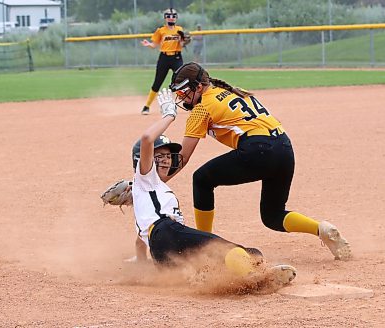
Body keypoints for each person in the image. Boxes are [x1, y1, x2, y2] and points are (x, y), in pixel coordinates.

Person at [167, 62, 352, 260]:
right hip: (284, 148)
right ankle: (321, 228)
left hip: (259, 149)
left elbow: (182, 159)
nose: (181, 97)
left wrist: (149, 184)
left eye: (183, 92)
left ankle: (204, 247)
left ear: (199, 87)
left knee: (202, 179)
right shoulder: (232, 92)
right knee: (272, 216)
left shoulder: (201, 109)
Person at [125, 88, 297, 284]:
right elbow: (147, 139)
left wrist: (141, 261)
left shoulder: (151, 190)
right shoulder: (145, 178)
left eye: (167, 156)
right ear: (142, 160)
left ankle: (232, 279)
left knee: (251, 253)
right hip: (167, 232)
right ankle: (256, 279)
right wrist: (169, 115)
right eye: (158, 156)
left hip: (165, 250)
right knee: (224, 249)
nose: (165, 161)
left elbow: (142, 237)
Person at [139, 8, 189, 115]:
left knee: (183, 80)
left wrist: (183, 40)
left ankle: (190, 103)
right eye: (169, 15)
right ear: (165, 18)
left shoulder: (179, 29)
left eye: (174, 15)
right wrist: (148, 44)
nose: (171, 17)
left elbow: (181, 45)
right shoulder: (161, 30)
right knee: (158, 82)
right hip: (164, 58)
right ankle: (146, 106)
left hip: (176, 57)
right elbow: (154, 44)